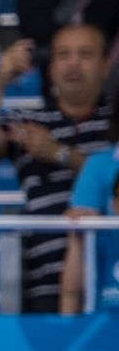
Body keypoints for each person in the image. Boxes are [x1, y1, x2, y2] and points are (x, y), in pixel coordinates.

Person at [0, 29, 113, 312]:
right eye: (63, 55)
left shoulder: (116, 123)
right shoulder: (29, 121)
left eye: (85, 54)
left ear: (106, 65)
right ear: (51, 68)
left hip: (111, 280)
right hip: (46, 284)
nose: (73, 64)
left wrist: (59, 153)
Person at [62, 123, 119, 313]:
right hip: (102, 332)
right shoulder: (101, 241)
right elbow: (71, 294)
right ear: (113, 204)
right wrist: (77, 240)